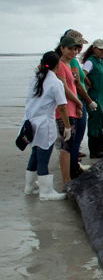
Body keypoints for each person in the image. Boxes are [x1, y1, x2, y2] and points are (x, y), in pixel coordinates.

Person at [22, 51, 70, 201]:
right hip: (44, 124)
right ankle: (46, 191)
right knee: (43, 158)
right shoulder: (55, 83)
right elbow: (62, 107)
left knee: (35, 154)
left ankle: (30, 186)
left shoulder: (35, 79)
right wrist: (67, 127)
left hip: (30, 122)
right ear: (58, 66)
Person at [64, 30, 97, 179]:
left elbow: (80, 80)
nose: (78, 49)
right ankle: (73, 169)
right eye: (76, 46)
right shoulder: (71, 61)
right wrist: (87, 101)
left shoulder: (69, 60)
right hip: (76, 101)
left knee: (73, 138)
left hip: (74, 100)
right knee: (76, 138)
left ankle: (72, 165)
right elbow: (76, 84)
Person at [54, 36, 84, 189]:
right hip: (64, 111)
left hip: (72, 110)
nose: (74, 52)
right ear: (62, 48)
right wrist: (79, 102)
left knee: (70, 145)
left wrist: (77, 105)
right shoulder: (59, 65)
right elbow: (63, 89)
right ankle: (65, 180)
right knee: (66, 146)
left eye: (75, 49)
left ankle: (68, 178)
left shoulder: (68, 65)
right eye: (70, 48)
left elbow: (72, 87)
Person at [81, 39, 103, 158]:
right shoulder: (90, 62)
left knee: (101, 122)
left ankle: (100, 147)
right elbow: (82, 74)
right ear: (94, 48)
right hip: (95, 96)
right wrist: (90, 83)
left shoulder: (101, 62)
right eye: (101, 49)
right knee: (94, 121)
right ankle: (94, 150)